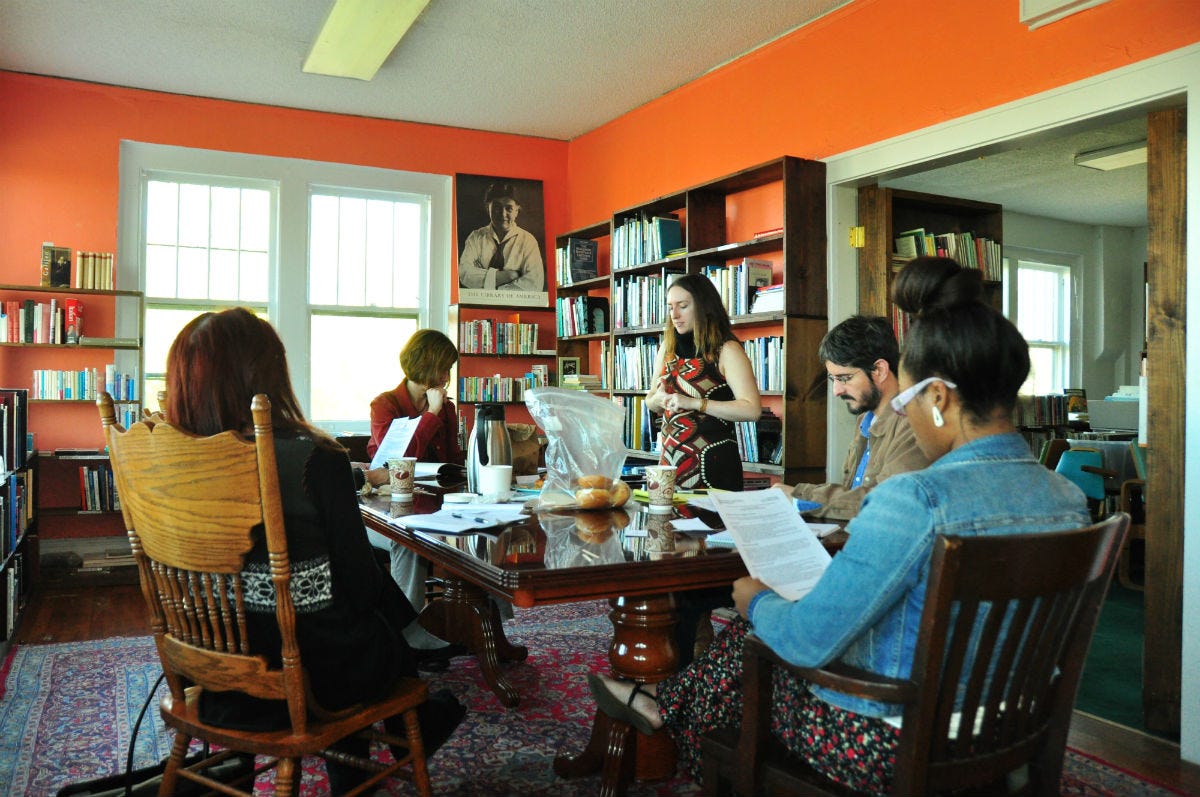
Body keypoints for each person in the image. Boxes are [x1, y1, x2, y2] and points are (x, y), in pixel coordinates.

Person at [588, 256, 1090, 793]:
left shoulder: (914, 499)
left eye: (909, 398)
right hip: (1008, 728)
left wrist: (754, 597)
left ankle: (677, 732)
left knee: (748, 647)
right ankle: (660, 706)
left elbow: (807, 640)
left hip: (889, 739)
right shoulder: (1070, 500)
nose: (905, 413)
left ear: (938, 398)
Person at [165, 308, 465, 793]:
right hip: (305, 678)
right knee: (370, 613)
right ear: (268, 375)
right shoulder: (313, 457)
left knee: (361, 601)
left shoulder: (170, 456)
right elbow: (360, 589)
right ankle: (371, 761)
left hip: (205, 664)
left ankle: (416, 713)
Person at [366, 329, 467, 667]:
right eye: (444, 370)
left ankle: (483, 627)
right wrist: (430, 417)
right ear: (428, 369)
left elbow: (453, 461)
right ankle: (408, 636)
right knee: (406, 539)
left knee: (479, 531)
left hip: (431, 503)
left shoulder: (447, 409)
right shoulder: (385, 405)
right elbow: (397, 464)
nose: (447, 378)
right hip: (380, 509)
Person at [774, 315, 929, 520]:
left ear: (880, 370)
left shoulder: (914, 423)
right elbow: (853, 493)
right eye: (833, 379)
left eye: (844, 378)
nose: (836, 390)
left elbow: (884, 501)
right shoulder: (864, 420)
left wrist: (799, 498)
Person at [645, 273, 762, 491]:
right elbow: (651, 401)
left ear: (703, 306)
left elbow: (752, 410)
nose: (675, 315)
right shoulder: (666, 349)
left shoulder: (727, 350)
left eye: (683, 306)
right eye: (670, 307)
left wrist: (694, 403)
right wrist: (657, 400)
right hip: (668, 466)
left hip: (714, 466)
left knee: (711, 525)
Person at [458, 182, 545, 292]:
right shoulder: (476, 237)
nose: (503, 214)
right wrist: (508, 277)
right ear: (487, 207)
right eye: (497, 207)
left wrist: (489, 284)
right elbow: (464, 273)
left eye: (509, 208)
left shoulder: (528, 241)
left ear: (517, 210)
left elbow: (534, 284)